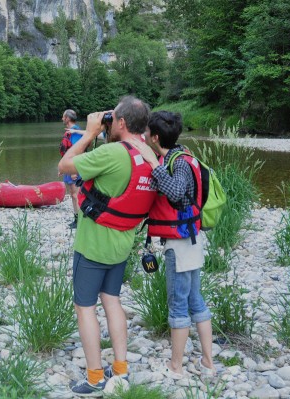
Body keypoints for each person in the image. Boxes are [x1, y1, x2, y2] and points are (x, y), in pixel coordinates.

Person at [58, 96, 155, 396]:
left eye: (114, 120)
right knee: (112, 300)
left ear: (122, 123)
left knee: (84, 306)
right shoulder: (148, 153)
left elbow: (64, 166)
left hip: (94, 244)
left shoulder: (113, 152)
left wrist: (88, 134)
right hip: (122, 243)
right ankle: (121, 370)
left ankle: (95, 376)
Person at [128, 111, 216, 380]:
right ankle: (207, 362)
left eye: (147, 135)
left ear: (154, 137)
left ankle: (175, 366)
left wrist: (153, 165)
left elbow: (177, 192)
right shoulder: (184, 156)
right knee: (195, 300)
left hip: (180, 244)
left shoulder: (176, 163)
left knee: (178, 304)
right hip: (191, 239)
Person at [60, 109, 83, 228]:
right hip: (69, 166)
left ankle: (79, 221)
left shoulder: (75, 132)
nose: (62, 119)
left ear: (68, 119)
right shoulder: (71, 131)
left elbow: (77, 151)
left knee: (76, 195)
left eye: (63, 117)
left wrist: (74, 170)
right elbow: (66, 151)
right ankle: (76, 219)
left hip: (74, 167)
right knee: (73, 194)